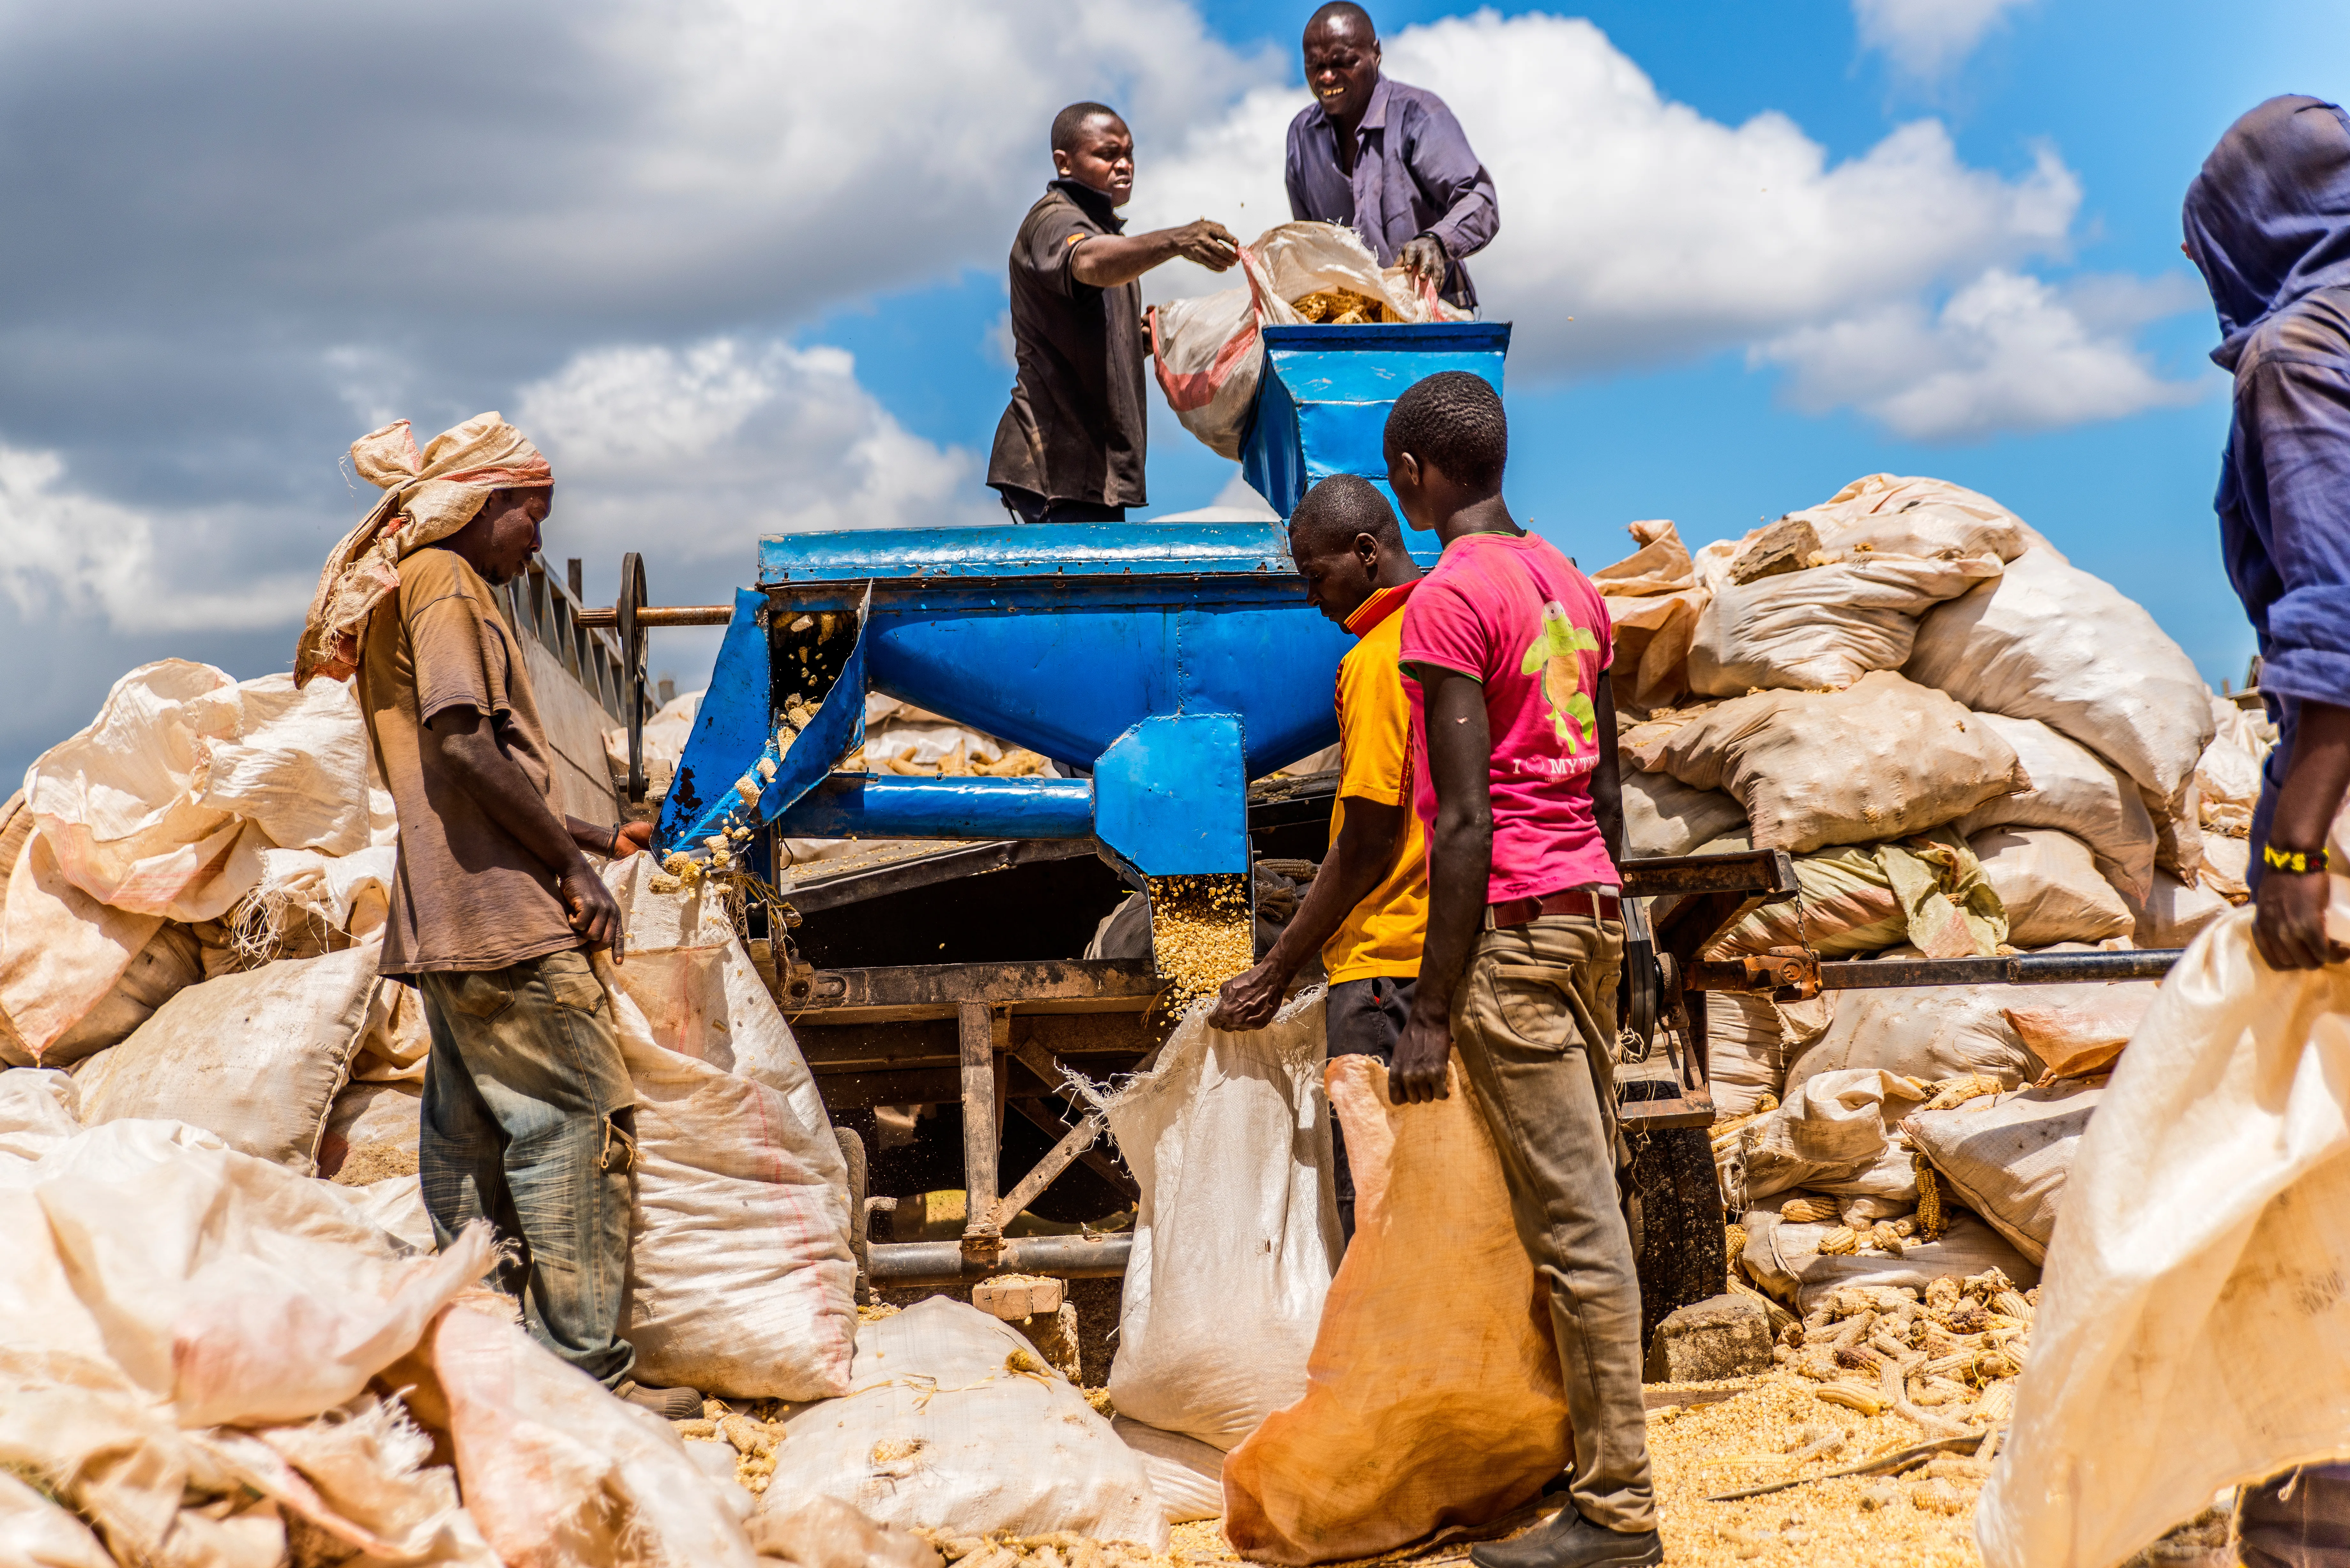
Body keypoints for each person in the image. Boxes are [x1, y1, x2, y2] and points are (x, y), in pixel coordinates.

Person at [293, 412, 695, 1419]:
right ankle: (585, 1374)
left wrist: (602, 840)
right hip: (502, 912)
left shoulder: (416, 586)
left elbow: (467, 766)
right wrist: (569, 867)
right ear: (479, 503)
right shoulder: (447, 586)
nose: (539, 540)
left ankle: (484, 1357)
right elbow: (462, 745)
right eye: (532, 515)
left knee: (470, 1139)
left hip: (449, 914)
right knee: (575, 1120)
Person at [1380, 372, 1658, 1568]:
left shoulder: (1447, 599)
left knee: (1578, 1225)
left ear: (1412, 476)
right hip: (1589, 910)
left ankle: (1618, 1508)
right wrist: (1635, 936)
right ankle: (1577, 1467)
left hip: (1514, 929)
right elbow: (1605, 784)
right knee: (1580, 1206)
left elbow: (1462, 822)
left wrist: (1432, 1009)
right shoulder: (1571, 583)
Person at [2183, 94, 2350, 1566]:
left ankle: (2312, 1517)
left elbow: (2333, 615)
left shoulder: (2300, 352)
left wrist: (2294, 846)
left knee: (2318, 1187)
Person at [1209, 474, 1428, 1247]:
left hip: (1382, 967)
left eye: (1315, 575)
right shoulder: (1451, 632)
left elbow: (1367, 837)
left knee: (1374, 1206)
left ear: (1366, 552)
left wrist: (1276, 969)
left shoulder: (1378, 660)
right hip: (1438, 955)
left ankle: (1386, 1366)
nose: (1312, 599)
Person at [989, 101, 1240, 524]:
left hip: (1088, 472)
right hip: (1055, 468)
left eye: (1130, 154)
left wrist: (1138, 341)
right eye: (1108, 154)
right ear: (1064, 163)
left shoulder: (1104, 231)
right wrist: (1176, 240)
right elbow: (1086, 262)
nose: (1125, 165)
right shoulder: (1055, 220)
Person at [1285, 2, 1498, 311]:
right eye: (1315, 66)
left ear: (1376, 53)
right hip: (1348, 324)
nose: (1327, 77)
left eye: (1343, 62)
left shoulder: (1419, 115)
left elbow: (1479, 199)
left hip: (1435, 314)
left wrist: (1435, 241)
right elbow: (1310, 243)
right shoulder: (1302, 135)